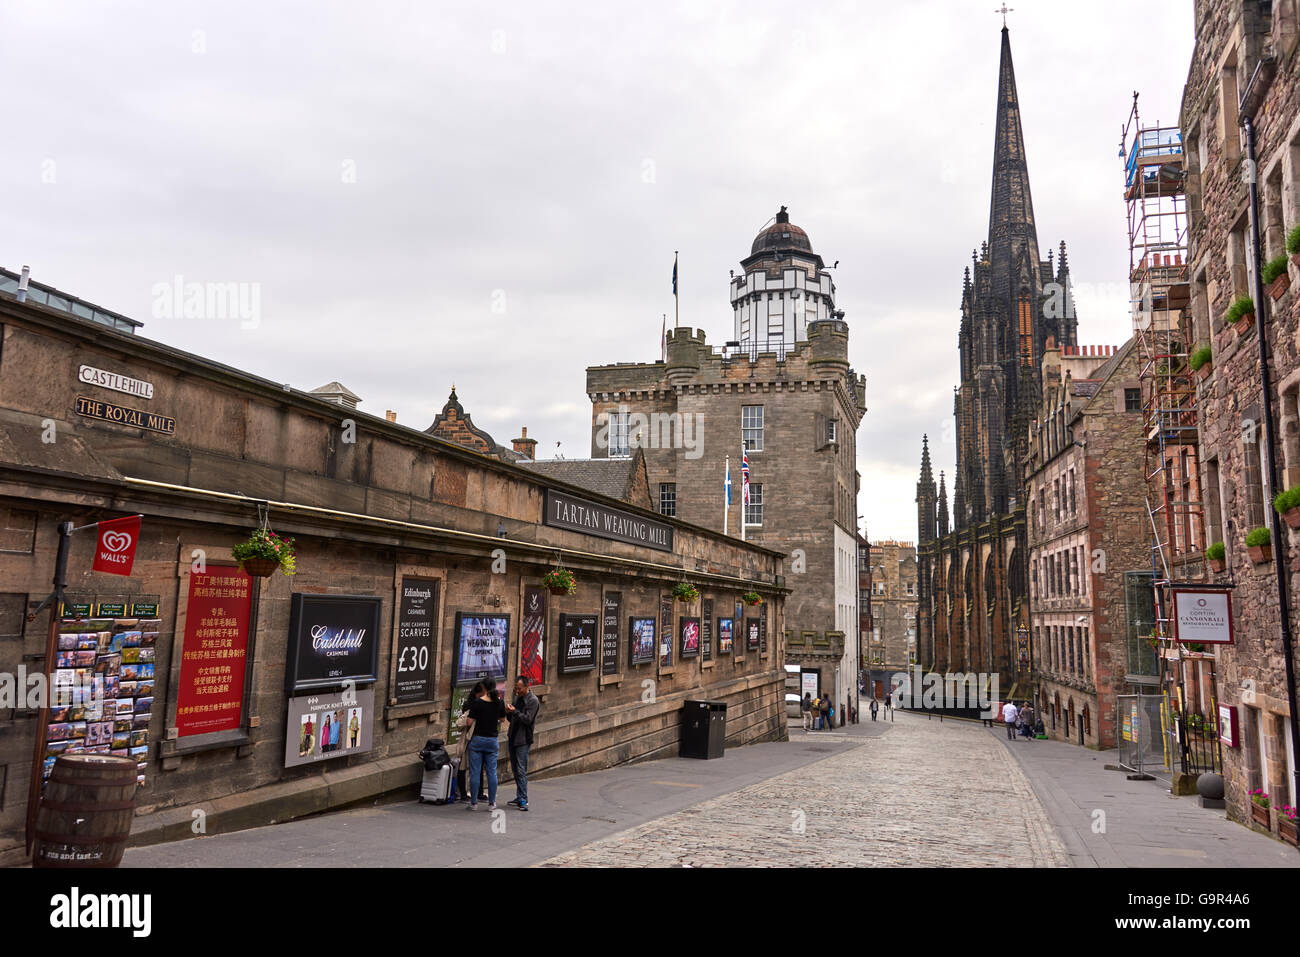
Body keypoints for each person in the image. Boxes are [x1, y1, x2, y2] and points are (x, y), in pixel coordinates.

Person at [464, 679, 506, 810]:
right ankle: (492, 803)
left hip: (477, 740)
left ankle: (474, 803)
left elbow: (469, 723)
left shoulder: (477, 702)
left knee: (475, 772)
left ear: (483, 688)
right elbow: (503, 719)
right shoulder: (499, 702)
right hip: (492, 740)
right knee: (491, 772)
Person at [505, 675, 540, 811]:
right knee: (515, 768)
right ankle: (519, 796)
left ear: (526, 687)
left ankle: (524, 799)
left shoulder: (533, 701)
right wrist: (509, 712)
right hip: (513, 736)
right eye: (516, 688)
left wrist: (515, 712)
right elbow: (512, 719)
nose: (517, 691)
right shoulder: (516, 697)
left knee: (521, 769)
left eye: (519, 689)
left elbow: (527, 719)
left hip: (523, 739)